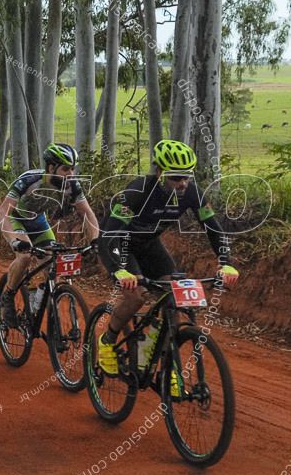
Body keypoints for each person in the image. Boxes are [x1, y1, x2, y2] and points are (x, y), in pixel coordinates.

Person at [94, 139, 239, 380]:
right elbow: (111, 234)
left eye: (186, 177)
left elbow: (213, 228)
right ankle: (107, 341)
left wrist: (226, 262)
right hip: (122, 244)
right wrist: (121, 270)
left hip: (150, 245)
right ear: (159, 172)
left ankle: (153, 359)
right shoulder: (136, 193)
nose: (182, 183)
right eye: (175, 178)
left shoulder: (191, 192)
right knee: (137, 295)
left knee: (173, 303)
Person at [0, 143, 101, 328]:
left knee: (54, 267)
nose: (71, 174)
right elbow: (2, 212)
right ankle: (9, 295)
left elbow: (87, 213)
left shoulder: (71, 185)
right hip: (16, 219)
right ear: (51, 168)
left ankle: (35, 307)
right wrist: (14, 240)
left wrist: (95, 239)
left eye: (73, 169)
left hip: (38, 223)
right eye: (66, 169)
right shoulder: (29, 180)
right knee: (25, 257)